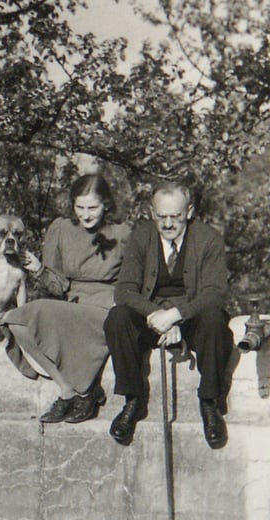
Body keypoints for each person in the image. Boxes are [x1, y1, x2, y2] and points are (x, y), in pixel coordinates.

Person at [103, 181, 233, 447]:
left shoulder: (208, 239)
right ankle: (133, 400)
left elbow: (215, 292)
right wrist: (158, 315)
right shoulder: (141, 237)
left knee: (215, 320)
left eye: (175, 216)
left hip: (190, 318)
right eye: (162, 217)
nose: (169, 224)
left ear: (189, 212)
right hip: (153, 318)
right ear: (152, 213)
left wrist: (176, 315)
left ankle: (210, 403)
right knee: (118, 318)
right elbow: (125, 290)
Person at [1, 174, 131, 424]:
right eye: (79, 207)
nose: (86, 214)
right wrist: (39, 269)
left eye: (93, 207)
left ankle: (83, 391)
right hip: (71, 303)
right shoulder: (60, 228)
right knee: (16, 321)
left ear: (106, 205)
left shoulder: (122, 232)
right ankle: (69, 390)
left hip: (107, 306)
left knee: (36, 318)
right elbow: (58, 287)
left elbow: (133, 280)